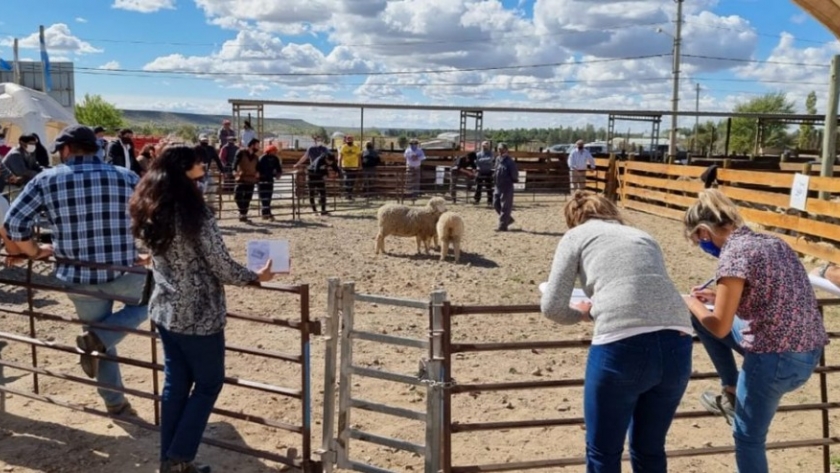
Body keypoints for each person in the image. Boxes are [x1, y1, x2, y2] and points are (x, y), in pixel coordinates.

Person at [129, 145, 275, 473]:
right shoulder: (195, 213)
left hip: (166, 309)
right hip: (199, 313)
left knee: (176, 384)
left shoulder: (150, 204)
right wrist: (254, 276)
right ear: (183, 170)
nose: (202, 165)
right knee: (209, 383)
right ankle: (180, 455)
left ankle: (171, 462)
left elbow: (151, 249)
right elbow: (219, 263)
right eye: (197, 162)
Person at [541, 191, 692, 473]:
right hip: (678, 339)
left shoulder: (576, 236)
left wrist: (584, 313)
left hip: (621, 343)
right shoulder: (642, 235)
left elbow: (551, 307)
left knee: (603, 452)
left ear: (574, 218)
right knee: (650, 448)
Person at [3, 124, 148, 416]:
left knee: (98, 332)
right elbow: (154, 217)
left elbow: (13, 223)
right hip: (123, 269)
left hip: (78, 276)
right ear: (95, 148)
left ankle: (115, 403)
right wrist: (142, 250)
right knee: (156, 298)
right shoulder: (126, 176)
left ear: (67, 150)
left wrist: (34, 251)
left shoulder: (46, 180)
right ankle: (100, 340)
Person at [683, 190, 828, 473]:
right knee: (704, 316)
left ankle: (731, 389)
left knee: (747, 438)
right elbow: (770, 294)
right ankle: (731, 389)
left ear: (704, 231)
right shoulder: (773, 243)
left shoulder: (733, 255)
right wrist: (716, 298)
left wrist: (691, 304)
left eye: (697, 240)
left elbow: (720, 326)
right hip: (809, 351)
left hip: (774, 359)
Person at [232, 138, 260, 222]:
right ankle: (242, 211)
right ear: (252, 145)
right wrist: (234, 171)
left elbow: (258, 167)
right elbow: (235, 163)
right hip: (241, 177)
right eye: (257, 145)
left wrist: (258, 172)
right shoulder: (241, 152)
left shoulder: (255, 157)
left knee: (248, 197)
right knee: (237, 196)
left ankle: (243, 214)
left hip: (251, 179)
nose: (258, 147)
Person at [492, 143, 518, 232]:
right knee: (496, 204)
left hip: (506, 186)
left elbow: (515, 175)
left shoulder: (510, 162)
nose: (500, 151)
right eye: (499, 149)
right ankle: (508, 219)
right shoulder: (498, 160)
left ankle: (502, 226)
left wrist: (510, 181)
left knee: (505, 207)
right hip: (498, 186)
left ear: (506, 150)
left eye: (502, 149)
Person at [307, 151, 339, 215]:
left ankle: (323, 211)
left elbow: (335, 167)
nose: (330, 163)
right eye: (329, 162)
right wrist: (324, 175)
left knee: (323, 193)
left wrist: (338, 172)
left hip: (320, 177)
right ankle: (314, 210)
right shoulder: (319, 160)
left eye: (331, 162)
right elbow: (316, 170)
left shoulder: (331, 160)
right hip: (312, 175)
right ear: (326, 159)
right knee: (312, 193)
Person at [256, 145, 283, 221]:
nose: (275, 152)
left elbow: (279, 168)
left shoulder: (275, 159)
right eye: (273, 151)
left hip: (270, 178)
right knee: (263, 196)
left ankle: (266, 213)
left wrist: (278, 174)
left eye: (275, 151)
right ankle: (267, 213)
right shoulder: (263, 158)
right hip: (262, 179)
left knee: (268, 196)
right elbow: (258, 168)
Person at [339, 135, 362, 200]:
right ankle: (347, 194)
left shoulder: (356, 148)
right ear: (346, 140)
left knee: (352, 182)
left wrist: (360, 165)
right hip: (345, 166)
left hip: (354, 167)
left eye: (351, 139)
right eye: (348, 139)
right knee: (346, 180)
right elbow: (340, 157)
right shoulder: (343, 147)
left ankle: (350, 194)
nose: (349, 140)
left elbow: (359, 157)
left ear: (353, 140)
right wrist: (339, 165)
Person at [474, 141, 494, 205]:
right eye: (483, 146)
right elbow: (475, 161)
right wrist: (485, 160)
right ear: (482, 146)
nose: (484, 147)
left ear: (488, 146)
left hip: (488, 172)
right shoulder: (478, 154)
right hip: (480, 172)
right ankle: (477, 200)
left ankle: (490, 200)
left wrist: (480, 160)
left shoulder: (490, 153)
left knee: (489, 187)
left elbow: (490, 159)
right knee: (478, 186)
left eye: (486, 146)